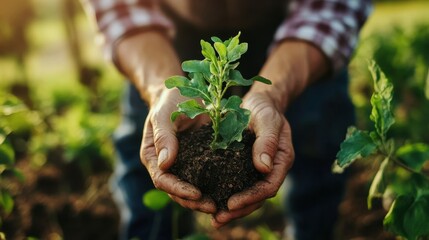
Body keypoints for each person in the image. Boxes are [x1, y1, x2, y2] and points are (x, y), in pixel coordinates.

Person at [83, 0, 372, 239]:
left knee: (317, 175)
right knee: (148, 184)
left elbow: (332, 9)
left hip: (301, 36)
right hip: (163, 35)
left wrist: (271, 95)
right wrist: (162, 89)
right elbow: (119, 8)